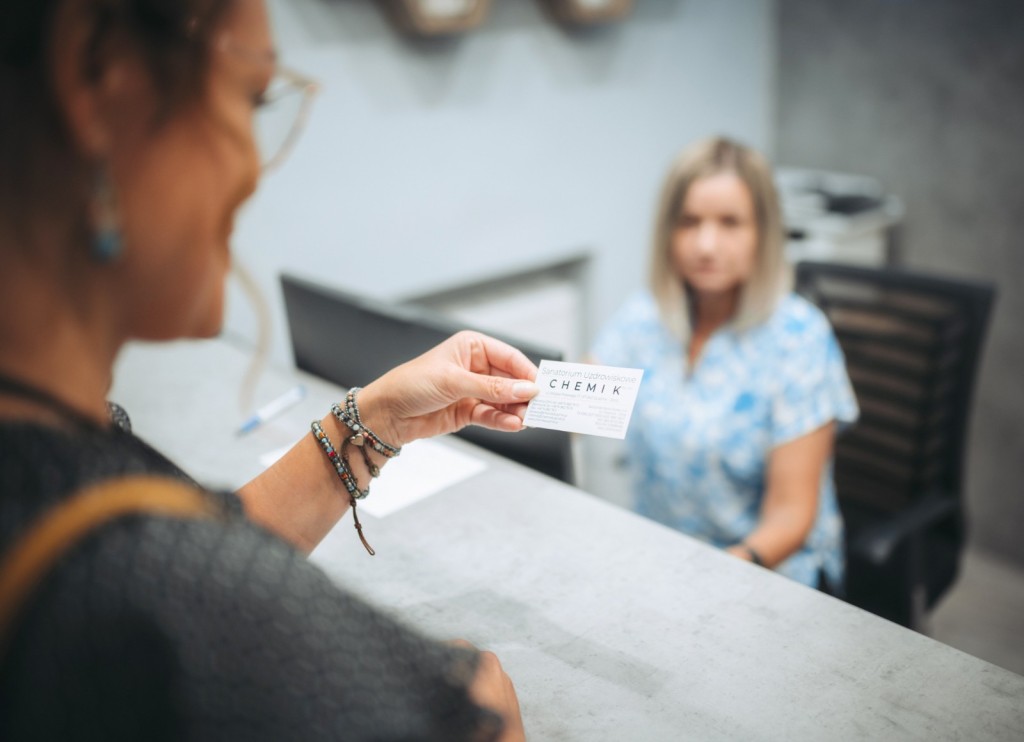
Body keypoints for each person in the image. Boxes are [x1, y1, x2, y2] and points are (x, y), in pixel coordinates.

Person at [0, 0, 532, 739]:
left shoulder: (52, 461)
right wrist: (470, 719)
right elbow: (181, 578)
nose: (254, 169)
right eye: (250, 101)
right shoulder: (138, 597)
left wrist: (374, 420)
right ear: (97, 73)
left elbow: (186, 543)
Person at [590, 137, 858, 591]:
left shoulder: (800, 339)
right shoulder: (645, 315)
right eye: (689, 222)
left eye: (730, 223)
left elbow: (790, 517)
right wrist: (510, 395)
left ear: (764, 233)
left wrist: (710, 579)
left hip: (760, 572)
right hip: (658, 559)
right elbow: (572, 404)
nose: (706, 245)